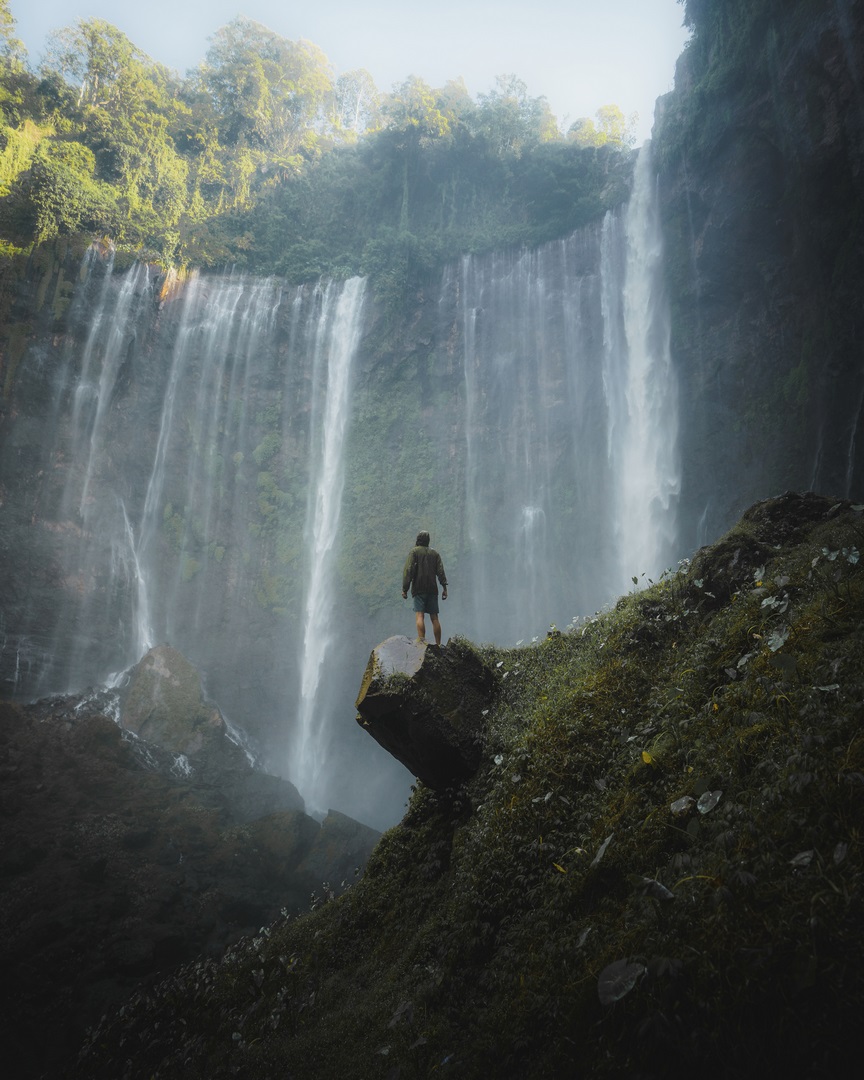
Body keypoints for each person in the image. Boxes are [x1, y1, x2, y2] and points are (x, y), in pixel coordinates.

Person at [401, 530, 448, 646]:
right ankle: (438, 644)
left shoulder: (414, 552)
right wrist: (444, 587)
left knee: (420, 616)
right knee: (434, 618)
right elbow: (440, 572)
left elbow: (409, 570)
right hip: (432, 588)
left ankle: (422, 643)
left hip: (419, 588)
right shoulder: (435, 554)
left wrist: (405, 589)